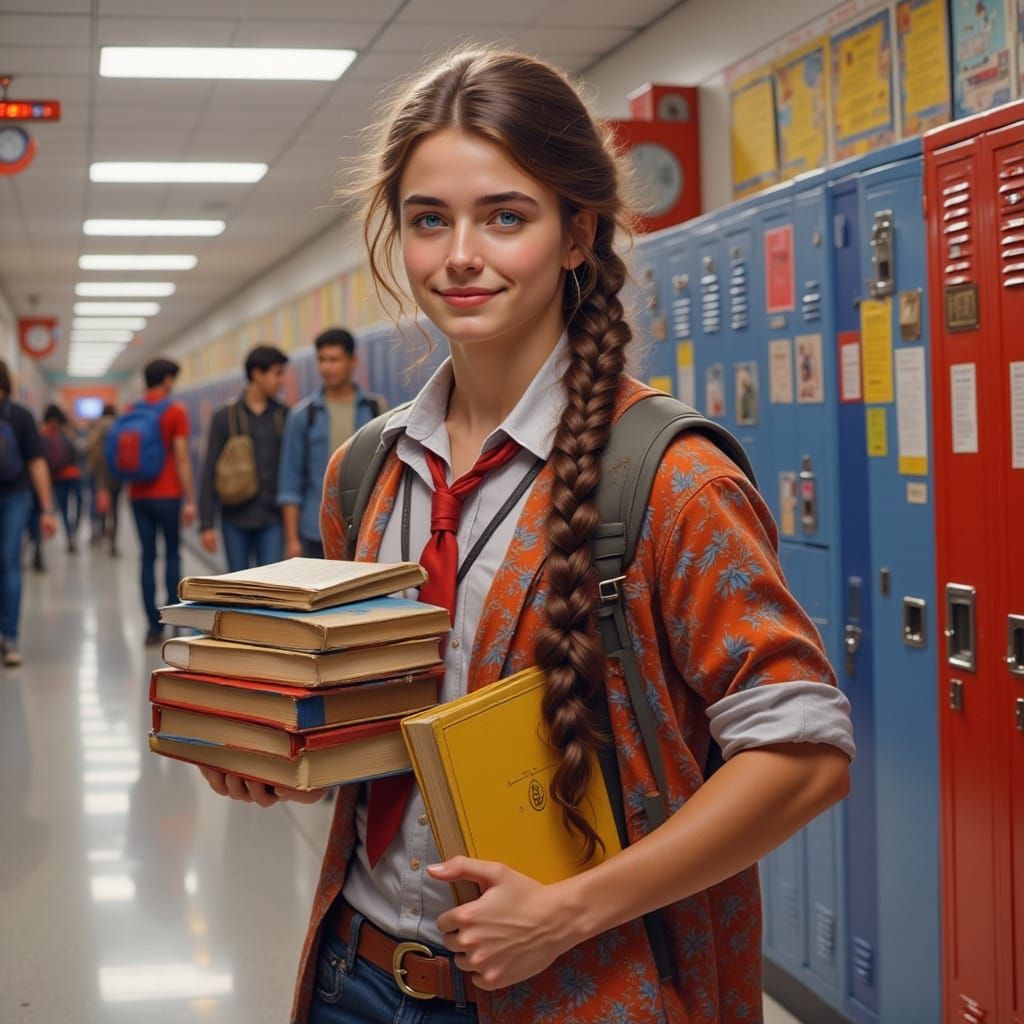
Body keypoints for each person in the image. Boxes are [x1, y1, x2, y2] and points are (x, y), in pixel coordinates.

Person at [196, 49, 854, 1024]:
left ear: (575, 234)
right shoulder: (368, 472)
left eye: (505, 215)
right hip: (359, 972)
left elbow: (802, 751)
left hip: (582, 988)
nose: (460, 254)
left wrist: (566, 909)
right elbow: (386, 737)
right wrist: (281, 759)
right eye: (430, 220)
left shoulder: (669, 479)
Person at [277, 329, 385, 559]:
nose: (326, 367)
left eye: (334, 359)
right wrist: (292, 540)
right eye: (322, 360)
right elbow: (290, 482)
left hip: (366, 526)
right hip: (314, 530)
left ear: (352, 361)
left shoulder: (375, 409)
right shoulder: (303, 416)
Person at [199, 345, 289, 571]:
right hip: (234, 518)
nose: (282, 380)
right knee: (238, 585)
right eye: (277, 373)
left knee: (271, 585)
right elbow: (209, 469)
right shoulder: (225, 417)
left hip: (273, 518)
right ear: (257, 374)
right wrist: (206, 524)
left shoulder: (284, 416)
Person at [127, 358, 196, 647]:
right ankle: (173, 621)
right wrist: (191, 498)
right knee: (172, 555)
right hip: (168, 494)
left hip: (139, 495)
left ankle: (151, 628)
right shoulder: (175, 410)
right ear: (167, 379)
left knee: (146, 557)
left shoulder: (132, 410)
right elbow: (180, 457)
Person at [0, 361, 57, 665]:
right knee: (9, 563)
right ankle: (9, 639)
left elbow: (37, 464)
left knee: (8, 562)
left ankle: (8, 634)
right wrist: (47, 509)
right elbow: (36, 463)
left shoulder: (21, 417)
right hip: (16, 495)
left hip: (16, 496)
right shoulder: (20, 415)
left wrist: (47, 509)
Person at [40, 404, 83, 554]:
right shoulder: (67, 430)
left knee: (64, 508)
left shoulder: (44, 432)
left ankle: (69, 534)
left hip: (56, 477)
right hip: (73, 474)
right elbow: (77, 452)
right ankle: (74, 532)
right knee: (78, 504)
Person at [86, 403, 122, 556]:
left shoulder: (98, 427)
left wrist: (90, 469)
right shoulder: (120, 425)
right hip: (118, 473)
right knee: (115, 509)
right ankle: (113, 542)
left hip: (101, 473)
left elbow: (91, 447)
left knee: (100, 504)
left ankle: (98, 532)